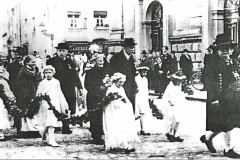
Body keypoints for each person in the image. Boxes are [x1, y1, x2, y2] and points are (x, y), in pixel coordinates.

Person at [200, 34, 240, 158]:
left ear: (231, 49)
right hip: (217, 98)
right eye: (222, 48)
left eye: (228, 48)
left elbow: (234, 79)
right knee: (226, 123)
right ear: (217, 49)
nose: (225, 51)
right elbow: (208, 82)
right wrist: (214, 98)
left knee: (225, 124)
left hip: (231, 98)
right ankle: (228, 149)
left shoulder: (232, 62)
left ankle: (207, 138)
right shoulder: (212, 63)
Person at [48, 43, 82, 134]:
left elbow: (75, 75)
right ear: (57, 51)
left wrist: (80, 87)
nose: (62, 53)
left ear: (67, 52)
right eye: (60, 51)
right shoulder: (51, 61)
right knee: (57, 105)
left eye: (64, 51)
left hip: (69, 87)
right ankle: (55, 125)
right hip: (57, 87)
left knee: (68, 106)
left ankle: (66, 125)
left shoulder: (70, 62)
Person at [32, 65, 69, 147]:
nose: (48, 74)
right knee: (47, 122)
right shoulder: (42, 83)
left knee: (52, 122)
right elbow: (38, 94)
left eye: (50, 72)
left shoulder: (56, 82)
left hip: (55, 103)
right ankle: (47, 137)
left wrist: (62, 103)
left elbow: (59, 92)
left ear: (53, 73)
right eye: (46, 73)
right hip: (45, 104)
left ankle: (51, 139)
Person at [103, 73, 139, 153]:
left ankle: (125, 144)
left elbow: (125, 98)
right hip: (114, 112)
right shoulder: (111, 90)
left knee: (123, 128)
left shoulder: (121, 88)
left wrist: (128, 106)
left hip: (122, 111)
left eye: (122, 82)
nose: (121, 84)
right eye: (119, 82)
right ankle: (115, 144)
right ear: (115, 81)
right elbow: (112, 102)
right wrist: (121, 105)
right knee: (116, 128)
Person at [15, 55, 42, 137]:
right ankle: (26, 130)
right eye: (32, 62)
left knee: (34, 111)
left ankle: (34, 130)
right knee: (26, 112)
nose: (34, 64)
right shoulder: (23, 72)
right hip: (26, 94)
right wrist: (28, 96)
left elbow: (39, 80)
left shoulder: (36, 70)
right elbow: (22, 86)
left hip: (35, 92)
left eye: (35, 62)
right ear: (27, 62)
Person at [109, 38, 138, 112]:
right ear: (125, 48)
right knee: (122, 108)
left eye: (133, 48)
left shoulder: (131, 58)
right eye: (131, 48)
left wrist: (135, 85)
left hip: (131, 88)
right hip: (120, 87)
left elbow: (133, 73)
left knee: (131, 107)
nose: (133, 50)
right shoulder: (116, 58)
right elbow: (111, 72)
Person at [85, 54, 107, 145]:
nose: (102, 63)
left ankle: (100, 133)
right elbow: (87, 85)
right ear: (94, 62)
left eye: (102, 61)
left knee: (101, 115)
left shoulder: (105, 71)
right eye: (100, 61)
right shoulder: (90, 72)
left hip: (103, 96)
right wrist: (98, 88)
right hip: (93, 97)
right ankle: (96, 135)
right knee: (94, 116)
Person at [162, 71, 186, 142]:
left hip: (178, 104)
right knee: (172, 120)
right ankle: (170, 133)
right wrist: (170, 101)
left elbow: (180, 94)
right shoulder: (170, 86)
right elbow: (166, 95)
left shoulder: (179, 86)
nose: (179, 82)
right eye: (178, 80)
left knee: (178, 120)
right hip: (171, 105)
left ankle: (176, 134)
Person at [135, 66, 152, 135]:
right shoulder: (136, 79)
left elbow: (146, 89)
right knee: (137, 113)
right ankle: (135, 129)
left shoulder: (145, 79)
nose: (145, 74)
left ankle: (143, 129)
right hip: (137, 97)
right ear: (140, 72)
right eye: (143, 72)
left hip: (143, 98)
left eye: (146, 72)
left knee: (143, 113)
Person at [0, 67, 14, 140]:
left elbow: (8, 90)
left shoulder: (4, 82)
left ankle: (1, 132)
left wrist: (11, 97)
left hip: (2, 101)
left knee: (1, 115)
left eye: (1, 73)